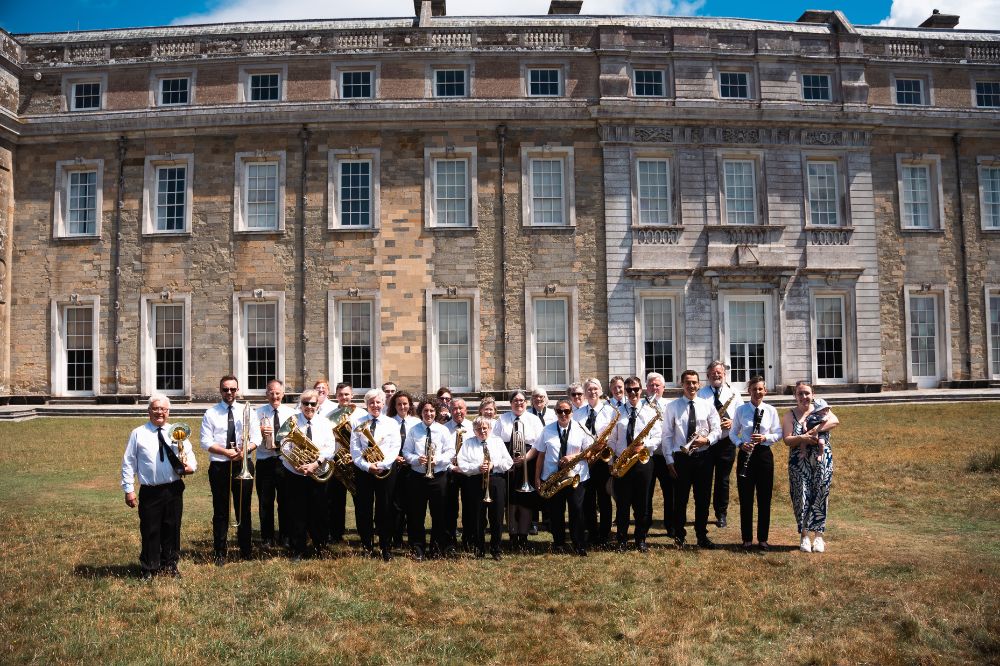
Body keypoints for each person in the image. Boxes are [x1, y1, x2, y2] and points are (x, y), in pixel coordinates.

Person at [121, 394, 196, 579]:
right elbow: (128, 462)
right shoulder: (138, 433)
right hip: (150, 491)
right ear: (149, 411)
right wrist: (129, 489)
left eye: (163, 409)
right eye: (155, 408)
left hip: (173, 488)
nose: (159, 412)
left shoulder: (177, 431)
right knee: (150, 529)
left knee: (172, 528)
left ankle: (170, 565)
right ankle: (148, 567)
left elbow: (189, 454)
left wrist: (191, 467)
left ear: (168, 412)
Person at [200, 375, 260, 565]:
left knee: (244, 509)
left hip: (243, 464)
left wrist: (245, 450)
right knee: (220, 510)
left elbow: (256, 438)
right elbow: (205, 441)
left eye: (233, 389)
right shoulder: (211, 413)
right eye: (225, 389)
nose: (229, 393)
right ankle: (220, 552)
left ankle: (246, 550)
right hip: (220, 465)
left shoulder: (248, 411)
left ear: (237, 390)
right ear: (220, 390)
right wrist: (226, 452)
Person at [662, 370, 721, 549]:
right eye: (688, 382)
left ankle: (702, 535)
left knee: (703, 499)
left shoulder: (707, 405)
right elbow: (667, 435)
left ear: (699, 384)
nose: (691, 386)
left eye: (694, 382)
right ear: (682, 384)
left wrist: (707, 440)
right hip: (681, 459)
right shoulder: (672, 407)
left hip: (703, 457)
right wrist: (669, 460)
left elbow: (717, 429)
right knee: (680, 500)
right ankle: (679, 536)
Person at [782, 381, 839, 554]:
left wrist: (814, 431)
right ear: (795, 396)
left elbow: (835, 421)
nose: (804, 397)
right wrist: (803, 438)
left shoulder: (822, 409)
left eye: (807, 393)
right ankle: (804, 536)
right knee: (801, 495)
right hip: (799, 463)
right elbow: (787, 440)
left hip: (822, 460)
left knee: (821, 494)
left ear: (813, 394)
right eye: (800, 393)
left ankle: (819, 536)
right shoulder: (790, 415)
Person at [281, 390, 336, 559]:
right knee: (297, 512)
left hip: (318, 471)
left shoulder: (324, 422)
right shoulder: (292, 421)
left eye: (313, 404)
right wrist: (296, 465)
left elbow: (329, 447)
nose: (309, 407)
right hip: (295, 473)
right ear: (301, 404)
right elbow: (285, 446)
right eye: (306, 403)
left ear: (318, 405)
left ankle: (320, 547)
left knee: (319, 511)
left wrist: (315, 464)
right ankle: (298, 549)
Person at [609, 376, 661, 552]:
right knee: (622, 504)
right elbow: (612, 440)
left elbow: (657, 437)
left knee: (642, 503)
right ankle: (622, 540)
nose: (633, 393)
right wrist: (613, 461)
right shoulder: (617, 412)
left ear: (641, 390)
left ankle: (641, 539)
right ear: (625, 391)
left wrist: (644, 445)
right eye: (629, 390)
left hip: (642, 462)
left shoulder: (650, 412)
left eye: (636, 389)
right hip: (622, 462)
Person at [730, 375, 782, 550]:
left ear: (765, 391)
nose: (757, 392)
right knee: (745, 498)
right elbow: (733, 433)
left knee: (764, 498)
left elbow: (778, 433)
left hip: (764, 455)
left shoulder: (771, 410)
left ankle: (763, 538)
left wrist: (765, 437)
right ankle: (746, 538)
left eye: (760, 389)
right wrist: (740, 444)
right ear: (749, 391)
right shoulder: (741, 410)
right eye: (754, 389)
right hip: (746, 453)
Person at [350, 387, 402, 560]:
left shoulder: (391, 423)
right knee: (363, 508)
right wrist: (367, 466)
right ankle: (367, 546)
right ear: (366, 404)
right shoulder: (357, 422)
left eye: (378, 402)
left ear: (383, 403)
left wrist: (382, 464)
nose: (375, 405)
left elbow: (395, 448)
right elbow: (355, 450)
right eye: (371, 402)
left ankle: (386, 547)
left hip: (385, 470)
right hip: (364, 471)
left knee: (385, 508)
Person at [534, 399, 589, 556]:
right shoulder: (547, 429)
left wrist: (572, 457)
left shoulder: (581, 428)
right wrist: (537, 478)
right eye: (559, 411)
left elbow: (590, 452)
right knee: (556, 512)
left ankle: (579, 544)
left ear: (572, 412)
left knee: (576, 510)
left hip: (576, 476)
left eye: (566, 411)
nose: (563, 414)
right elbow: (541, 455)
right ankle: (558, 543)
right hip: (553, 476)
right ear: (555, 412)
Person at [402, 397, 455, 560]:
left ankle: (436, 548)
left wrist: (437, 460)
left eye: (432, 410)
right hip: (418, 477)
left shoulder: (443, 430)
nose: (429, 413)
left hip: (438, 476)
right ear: (421, 412)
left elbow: (451, 452)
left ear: (436, 412)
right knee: (416, 514)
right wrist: (416, 459)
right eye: (425, 411)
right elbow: (406, 451)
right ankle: (417, 548)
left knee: (439, 513)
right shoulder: (414, 430)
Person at [456, 416, 513, 560]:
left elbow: (508, 462)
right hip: (475, 482)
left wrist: (494, 464)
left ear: (490, 428)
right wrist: (477, 467)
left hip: (496, 481)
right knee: (477, 517)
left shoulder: (498, 441)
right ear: (474, 430)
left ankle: (496, 549)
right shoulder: (468, 443)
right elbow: (462, 464)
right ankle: (479, 549)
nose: (482, 431)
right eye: (478, 429)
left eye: (484, 428)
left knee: (497, 517)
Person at [493, 389, 543, 550]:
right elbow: (495, 441)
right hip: (508, 462)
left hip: (528, 461)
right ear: (510, 403)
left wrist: (525, 458)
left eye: (522, 400)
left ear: (526, 403)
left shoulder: (534, 419)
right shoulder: (503, 419)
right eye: (515, 400)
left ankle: (523, 536)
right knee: (511, 501)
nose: (519, 403)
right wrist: (508, 461)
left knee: (525, 502)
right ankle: (513, 535)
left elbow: (539, 444)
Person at [698, 361, 744, 529]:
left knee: (723, 480)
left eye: (719, 372)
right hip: (707, 443)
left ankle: (721, 514)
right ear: (708, 375)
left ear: (724, 374)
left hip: (726, 442)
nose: (716, 375)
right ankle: (702, 514)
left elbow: (742, 415)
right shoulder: (701, 393)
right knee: (705, 480)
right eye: (713, 373)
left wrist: (732, 422)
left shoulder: (734, 393)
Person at [575, 377, 617, 549]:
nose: (592, 392)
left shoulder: (610, 411)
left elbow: (614, 435)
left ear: (600, 391)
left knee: (604, 497)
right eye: (589, 389)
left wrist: (604, 446)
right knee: (588, 498)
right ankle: (592, 532)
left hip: (603, 460)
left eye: (595, 389)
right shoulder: (578, 413)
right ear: (585, 393)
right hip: (585, 460)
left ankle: (604, 533)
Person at [256, 379, 296, 547]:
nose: (275, 396)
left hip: (284, 461)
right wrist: (259, 431)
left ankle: (285, 536)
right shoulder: (258, 413)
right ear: (266, 394)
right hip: (265, 460)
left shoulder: (291, 413)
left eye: (277, 393)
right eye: (271, 393)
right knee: (265, 502)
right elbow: (249, 437)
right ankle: (267, 537)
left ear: (283, 394)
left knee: (285, 501)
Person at [326, 381, 362, 544]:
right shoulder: (329, 415)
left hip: (357, 461)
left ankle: (364, 533)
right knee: (335, 500)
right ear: (336, 396)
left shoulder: (361, 413)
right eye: (340, 394)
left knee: (360, 499)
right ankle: (335, 533)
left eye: (346, 394)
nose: (344, 397)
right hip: (338, 460)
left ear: (352, 395)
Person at [388, 390, 419, 548]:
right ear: (394, 406)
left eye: (405, 403)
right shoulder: (388, 422)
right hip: (394, 467)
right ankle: (397, 538)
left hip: (412, 468)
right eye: (399, 404)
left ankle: (413, 538)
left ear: (410, 405)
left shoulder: (416, 423)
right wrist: (394, 457)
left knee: (412, 504)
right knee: (396, 505)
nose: (402, 407)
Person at [643, 372, 673, 537]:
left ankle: (670, 525)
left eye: (657, 385)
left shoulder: (670, 406)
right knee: (646, 492)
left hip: (665, 455)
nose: (654, 388)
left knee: (669, 492)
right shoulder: (641, 405)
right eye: (651, 385)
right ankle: (645, 525)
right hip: (647, 455)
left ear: (663, 388)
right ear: (646, 387)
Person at [445, 397, 473, 549]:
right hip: (450, 471)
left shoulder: (473, 427)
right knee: (450, 507)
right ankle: (450, 540)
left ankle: (469, 539)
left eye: (460, 408)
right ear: (450, 411)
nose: (458, 411)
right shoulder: (444, 429)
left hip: (469, 473)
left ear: (466, 410)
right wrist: (451, 467)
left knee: (469, 506)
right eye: (454, 408)